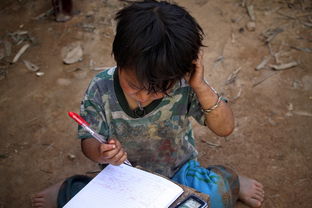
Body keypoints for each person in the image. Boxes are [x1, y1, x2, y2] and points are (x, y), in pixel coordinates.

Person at [32, 1, 264, 207]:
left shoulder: (185, 85)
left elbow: (225, 128)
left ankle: (232, 182)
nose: (143, 97)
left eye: (159, 92)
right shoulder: (100, 88)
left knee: (215, 195)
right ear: (119, 60)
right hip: (123, 176)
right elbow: (88, 141)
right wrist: (102, 154)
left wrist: (200, 85)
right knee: (84, 200)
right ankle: (69, 189)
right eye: (133, 86)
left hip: (178, 172)